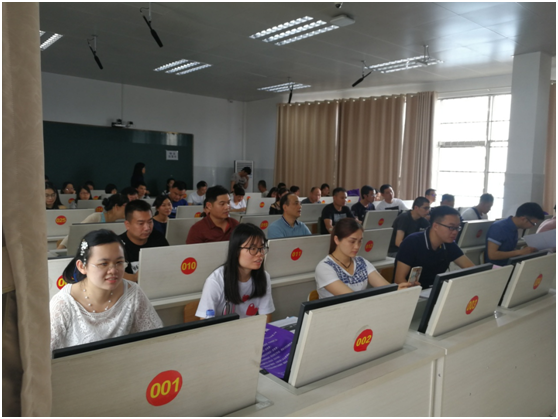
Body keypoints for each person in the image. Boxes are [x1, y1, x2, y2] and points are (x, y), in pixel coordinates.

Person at [50, 229, 162, 351]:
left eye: (119, 262)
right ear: (82, 266)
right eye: (103, 264)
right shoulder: (63, 304)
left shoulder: (132, 292)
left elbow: (155, 338)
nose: (113, 270)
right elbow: (45, 354)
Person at [314, 218, 414, 299]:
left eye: (360, 241)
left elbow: (384, 287)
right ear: (336, 240)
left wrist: (397, 289)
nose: (357, 246)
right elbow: (352, 298)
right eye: (352, 241)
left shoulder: (361, 262)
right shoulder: (324, 267)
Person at [196, 223, 274, 321]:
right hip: (223, 330)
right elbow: (206, 322)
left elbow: (266, 317)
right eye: (253, 249)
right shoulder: (216, 280)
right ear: (236, 251)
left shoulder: (264, 277)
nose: (260, 254)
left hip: (250, 329)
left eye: (262, 248)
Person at [394, 206, 475, 289]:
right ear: (435, 226)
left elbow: (471, 268)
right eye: (451, 227)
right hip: (412, 292)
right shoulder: (412, 242)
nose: (455, 232)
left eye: (457, 228)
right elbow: (399, 280)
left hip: (433, 291)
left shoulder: (449, 244)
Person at [119, 200, 169, 282]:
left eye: (150, 222)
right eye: (141, 223)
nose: (147, 228)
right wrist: (135, 277)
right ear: (127, 225)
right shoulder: (117, 246)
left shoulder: (158, 238)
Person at [57, 194, 129, 249]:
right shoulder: (96, 217)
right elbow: (76, 231)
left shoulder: (121, 222)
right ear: (116, 207)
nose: (128, 209)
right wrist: (60, 248)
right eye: (125, 206)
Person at [485, 202, 544, 266]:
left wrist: (525, 251)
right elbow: (492, 255)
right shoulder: (498, 227)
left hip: (509, 264)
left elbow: (508, 250)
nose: (533, 226)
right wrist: (520, 252)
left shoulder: (514, 227)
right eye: (533, 223)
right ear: (524, 219)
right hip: (497, 267)